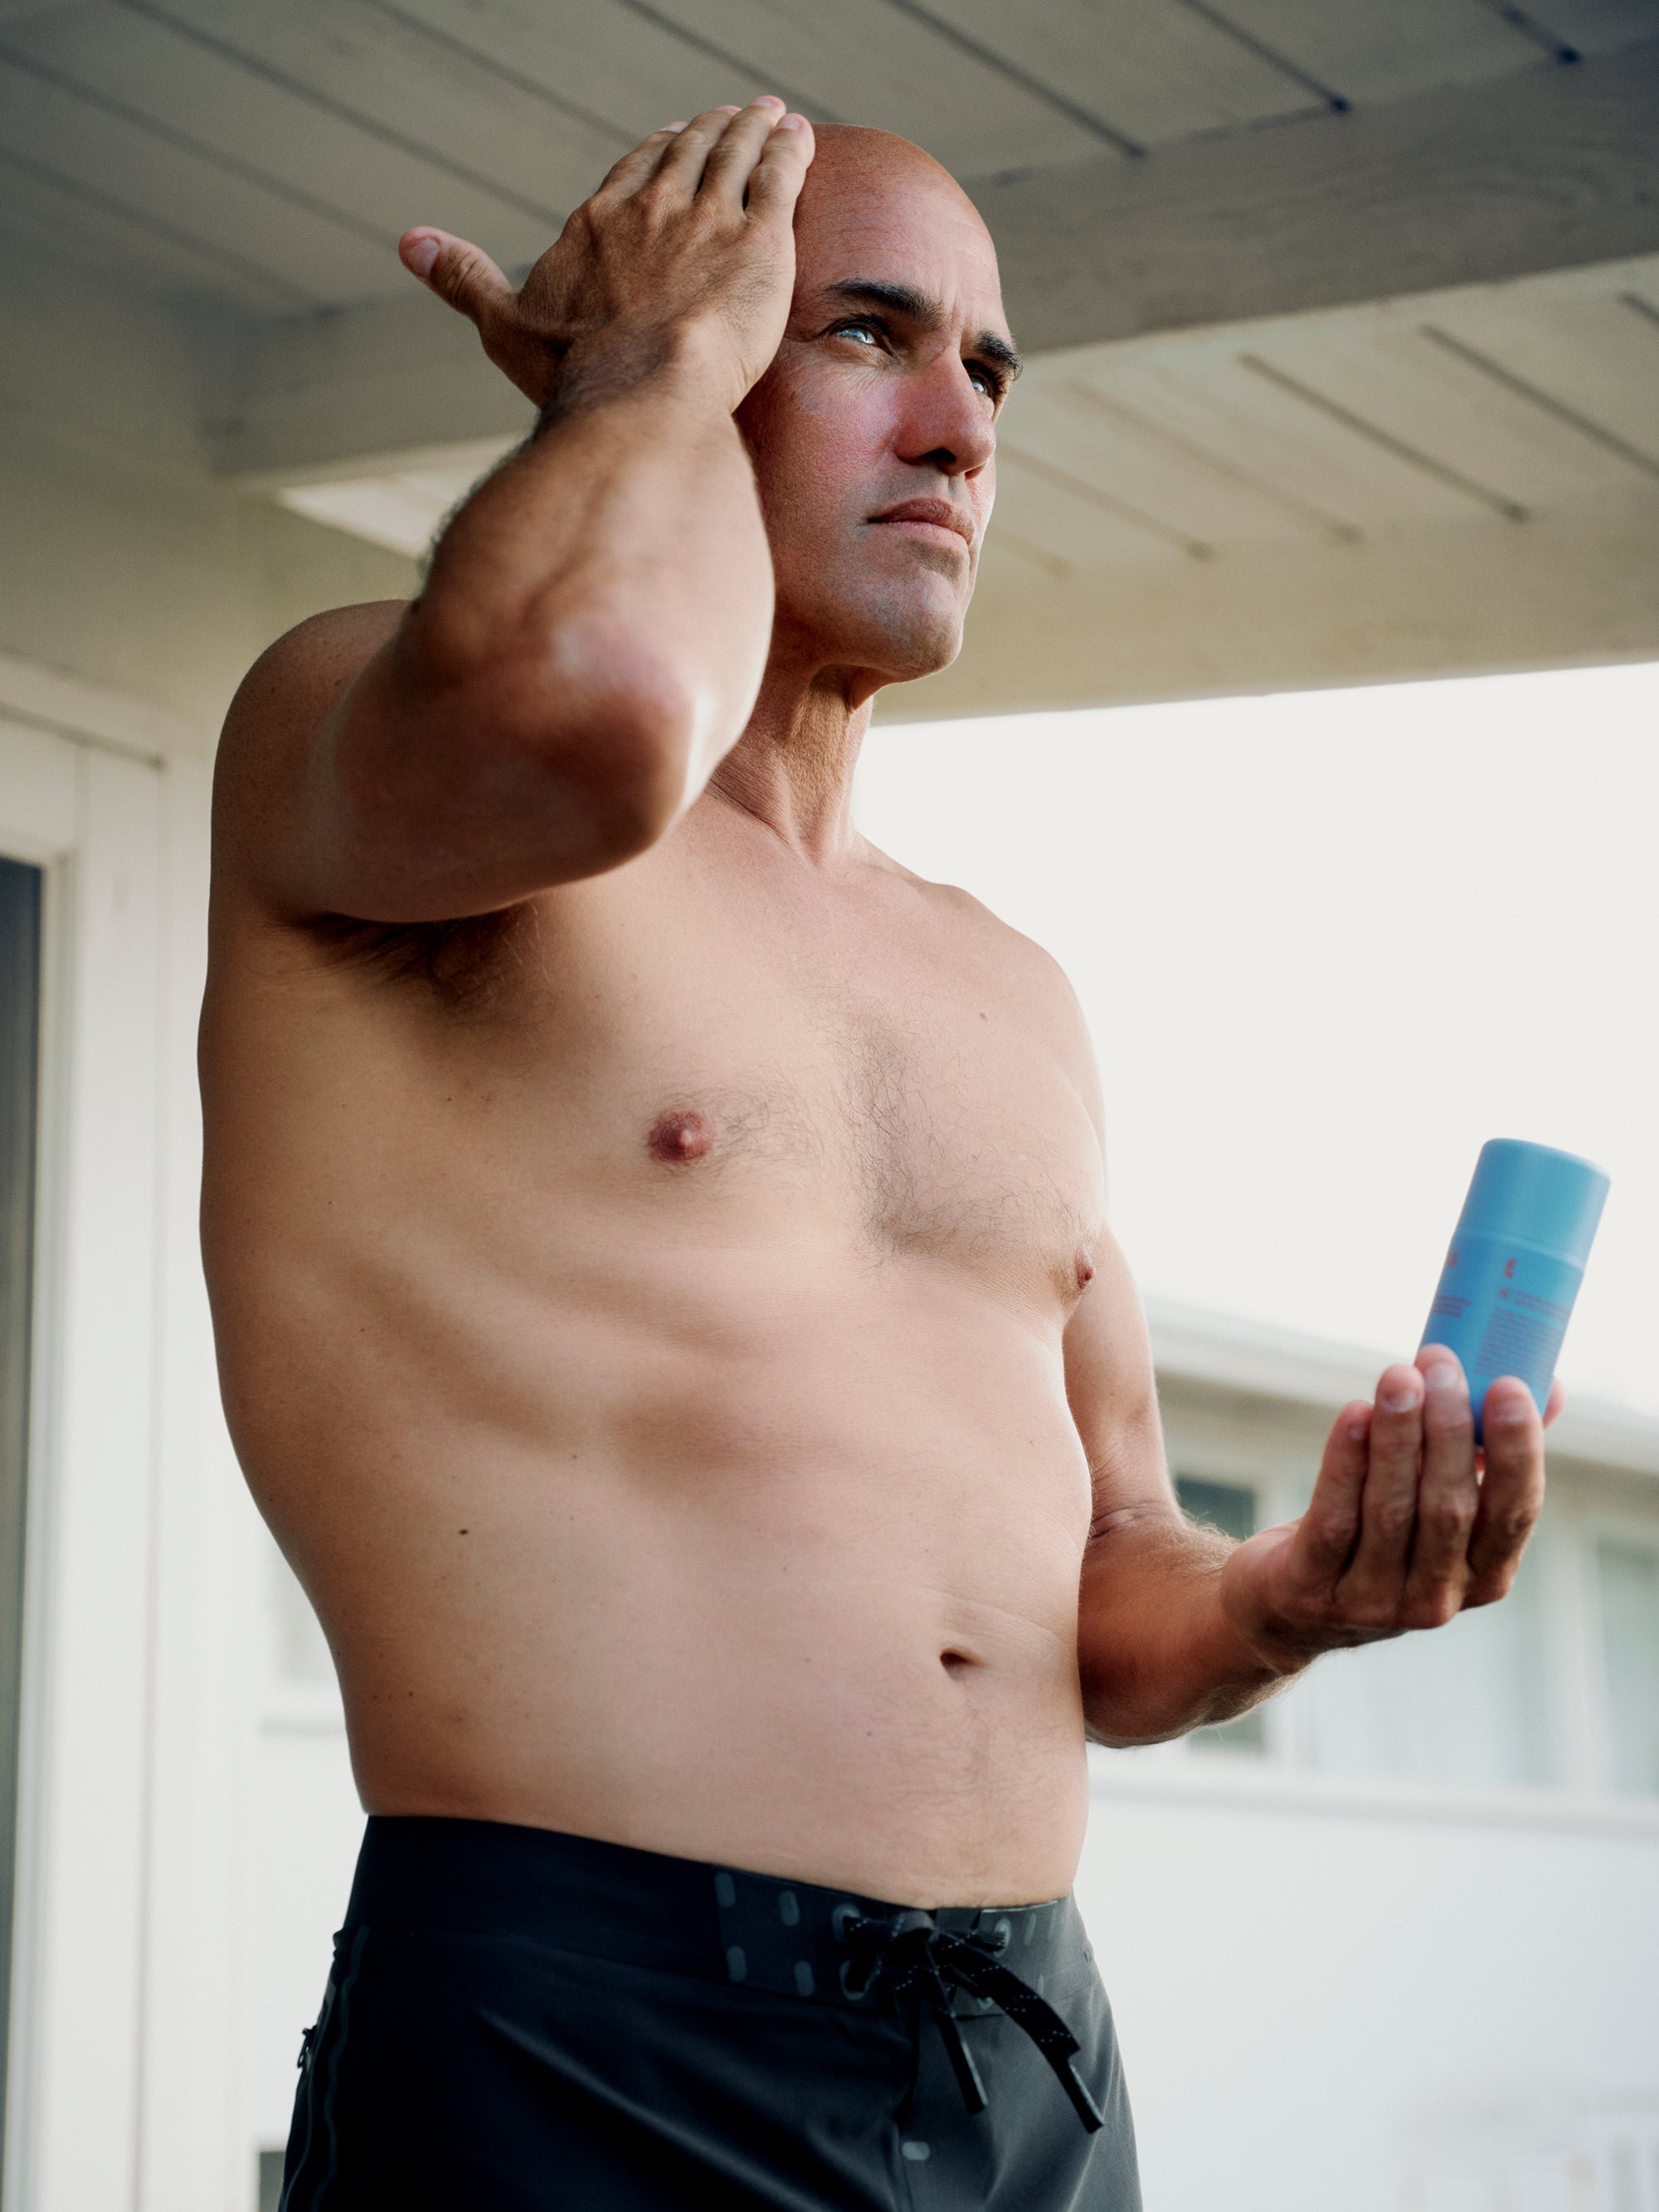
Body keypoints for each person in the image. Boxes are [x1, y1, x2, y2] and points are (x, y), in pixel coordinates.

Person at [201, 100, 1554, 2212]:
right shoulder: (374, 753)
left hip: (1027, 2060)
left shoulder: (1011, 987)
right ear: (693, 337)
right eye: (863, 334)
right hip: (586, 2037)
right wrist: (632, 377)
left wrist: (1287, 1597)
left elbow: (1113, 1574)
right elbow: (590, 697)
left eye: (989, 368)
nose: (960, 425)